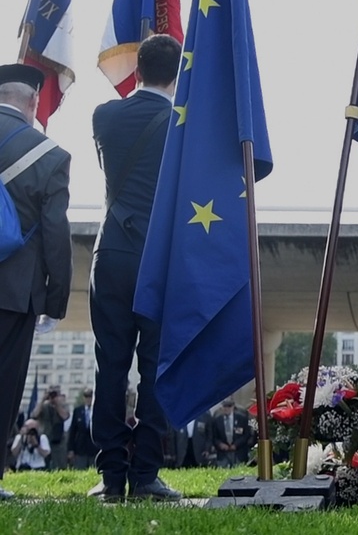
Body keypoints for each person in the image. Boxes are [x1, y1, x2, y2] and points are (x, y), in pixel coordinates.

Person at [88, 34, 183, 502]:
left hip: (113, 255)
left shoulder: (104, 116)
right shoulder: (182, 125)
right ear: (177, 74)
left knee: (111, 365)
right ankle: (145, 475)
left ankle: (110, 477)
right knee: (154, 368)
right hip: (159, 260)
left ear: (138, 70)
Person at [0, 63, 72, 499]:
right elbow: (55, 236)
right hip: (14, 292)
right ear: (31, 103)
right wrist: (56, 299)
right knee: (4, 385)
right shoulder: (49, 155)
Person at [32, 384, 69, 469]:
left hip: (59, 441)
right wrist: (43, 400)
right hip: (45, 438)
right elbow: (34, 415)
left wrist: (57, 404)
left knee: (60, 465)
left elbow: (65, 416)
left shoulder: (62, 405)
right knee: (46, 464)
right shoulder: (44, 406)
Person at [212, 399, 253, 468]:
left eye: (229, 406)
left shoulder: (242, 418)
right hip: (223, 454)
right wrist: (220, 444)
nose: (227, 408)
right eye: (225, 406)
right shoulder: (217, 420)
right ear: (221, 407)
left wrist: (236, 444)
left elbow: (247, 434)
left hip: (239, 452)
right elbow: (213, 436)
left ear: (233, 407)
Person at [67, 388, 98, 469]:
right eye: (86, 397)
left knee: (93, 468)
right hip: (80, 447)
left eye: (90, 397)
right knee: (80, 468)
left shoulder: (97, 411)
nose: (88, 399)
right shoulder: (78, 411)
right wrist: (71, 449)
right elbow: (73, 431)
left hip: (94, 447)